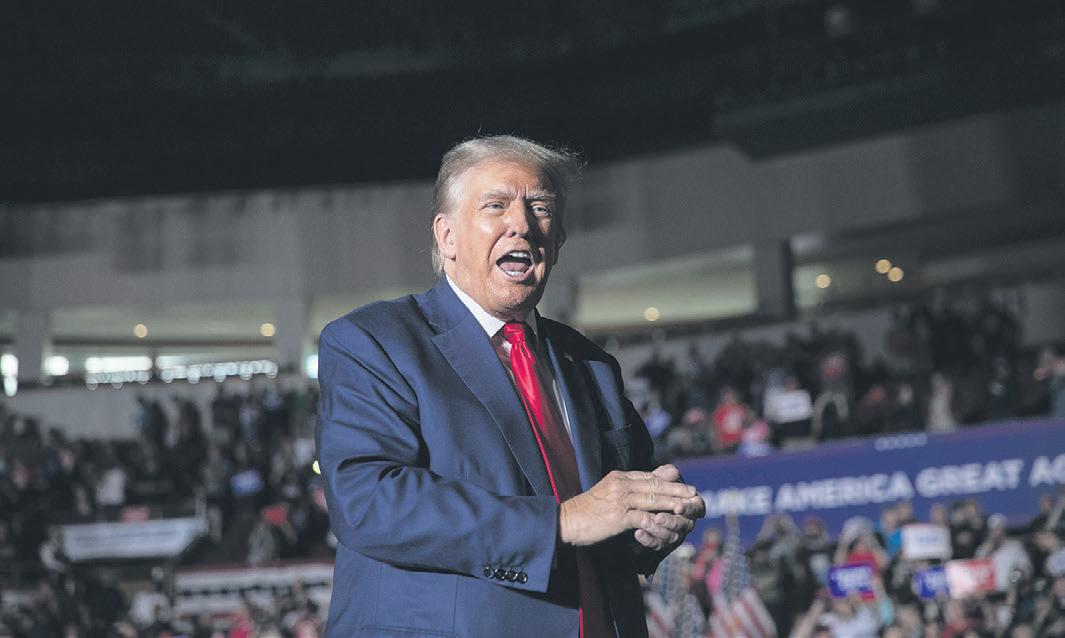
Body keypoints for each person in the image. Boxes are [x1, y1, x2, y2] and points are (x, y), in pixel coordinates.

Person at [315, 135, 705, 638]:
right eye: (496, 205)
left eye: (540, 208)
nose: (522, 223)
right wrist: (560, 522)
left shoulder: (591, 364)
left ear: (557, 241)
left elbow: (608, 518)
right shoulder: (373, 342)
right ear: (447, 237)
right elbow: (369, 500)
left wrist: (650, 525)